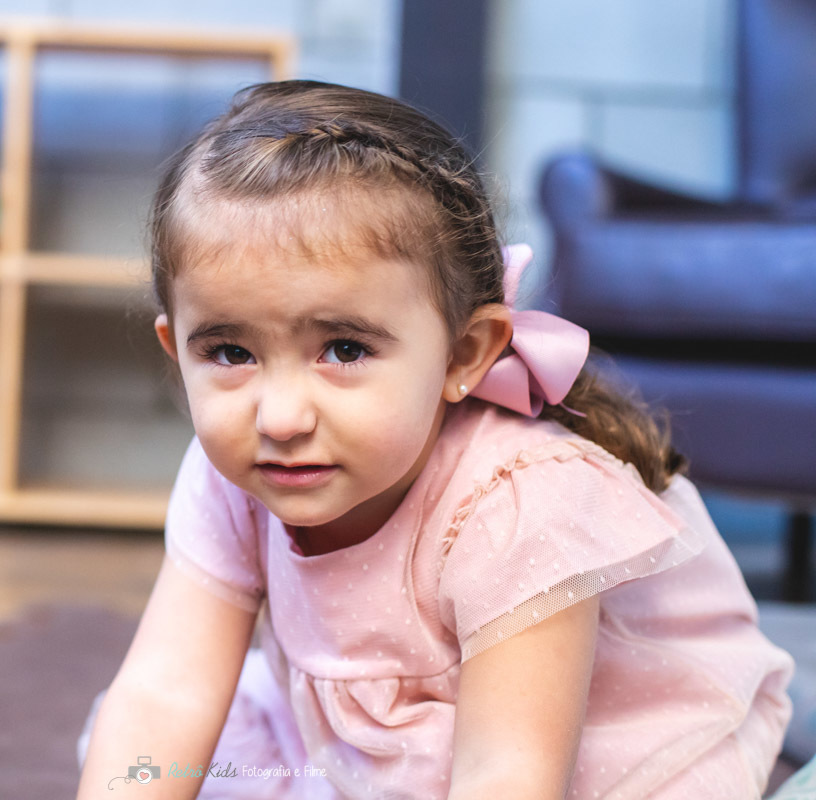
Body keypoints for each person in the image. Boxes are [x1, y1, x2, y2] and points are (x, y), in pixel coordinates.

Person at [74, 80, 795, 799]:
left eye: (345, 349)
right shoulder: (231, 474)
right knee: (136, 755)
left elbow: (510, 774)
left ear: (463, 354)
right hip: (394, 741)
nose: (280, 418)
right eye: (230, 353)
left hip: (576, 753)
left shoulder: (517, 503)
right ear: (177, 349)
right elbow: (165, 693)